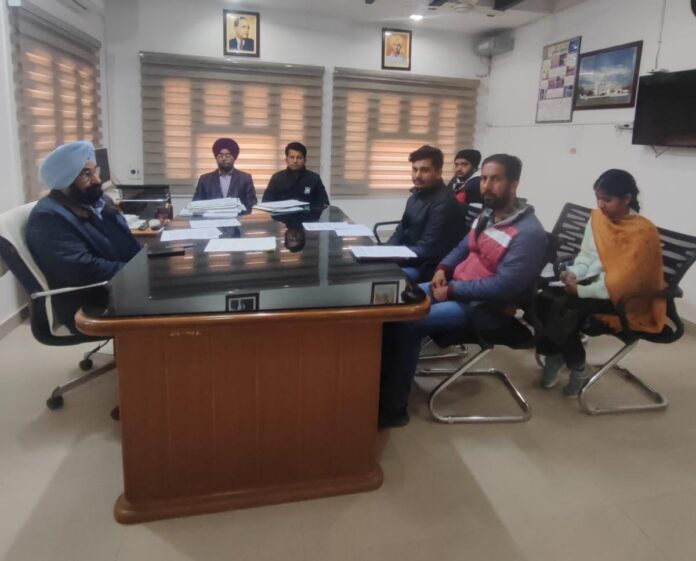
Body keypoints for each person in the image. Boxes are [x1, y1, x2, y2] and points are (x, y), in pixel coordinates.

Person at [379, 154, 547, 428]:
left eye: (496, 179)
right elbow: (462, 247)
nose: (486, 186)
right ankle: (384, 380)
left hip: (483, 307)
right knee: (395, 302)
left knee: (407, 322)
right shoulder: (488, 214)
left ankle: (394, 407)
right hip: (456, 286)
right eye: (484, 178)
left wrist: (453, 290)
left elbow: (505, 285)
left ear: (514, 183)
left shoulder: (528, 233)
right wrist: (442, 268)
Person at [537, 169, 666, 397]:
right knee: (544, 298)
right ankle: (560, 356)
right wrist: (574, 274)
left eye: (607, 199)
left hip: (623, 298)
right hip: (595, 286)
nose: (600, 204)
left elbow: (624, 282)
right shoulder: (598, 219)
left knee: (563, 307)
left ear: (626, 199)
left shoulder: (642, 232)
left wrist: (581, 290)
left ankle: (572, 364)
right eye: (598, 198)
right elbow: (587, 257)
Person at [26, 141, 142, 333]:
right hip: (92, 301)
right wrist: (139, 272)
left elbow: (127, 242)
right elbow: (83, 269)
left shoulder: (98, 201)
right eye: (86, 174)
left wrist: (150, 261)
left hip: (121, 286)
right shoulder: (48, 218)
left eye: (95, 171)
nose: (97, 180)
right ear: (64, 180)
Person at [386, 145, 466, 282]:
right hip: (409, 257)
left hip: (425, 268)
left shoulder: (444, 204)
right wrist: (383, 252)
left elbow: (427, 250)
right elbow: (400, 231)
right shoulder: (415, 196)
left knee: (377, 275)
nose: (417, 176)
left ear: (438, 172)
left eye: (424, 170)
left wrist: (391, 257)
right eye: (415, 169)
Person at [192, 137, 257, 212]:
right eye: (220, 155)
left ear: (234, 157)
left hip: (238, 218)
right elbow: (196, 205)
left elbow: (252, 205)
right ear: (216, 158)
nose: (224, 158)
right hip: (211, 218)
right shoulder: (205, 179)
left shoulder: (245, 178)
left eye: (228, 155)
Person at [262, 142, 330, 207]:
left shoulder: (314, 179)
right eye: (292, 157)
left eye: (299, 157)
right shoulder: (277, 178)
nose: (295, 161)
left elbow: (324, 204)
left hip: (308, 215)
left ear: (305, 160)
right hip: (281, 215)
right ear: (286, 160)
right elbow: (266, 203)